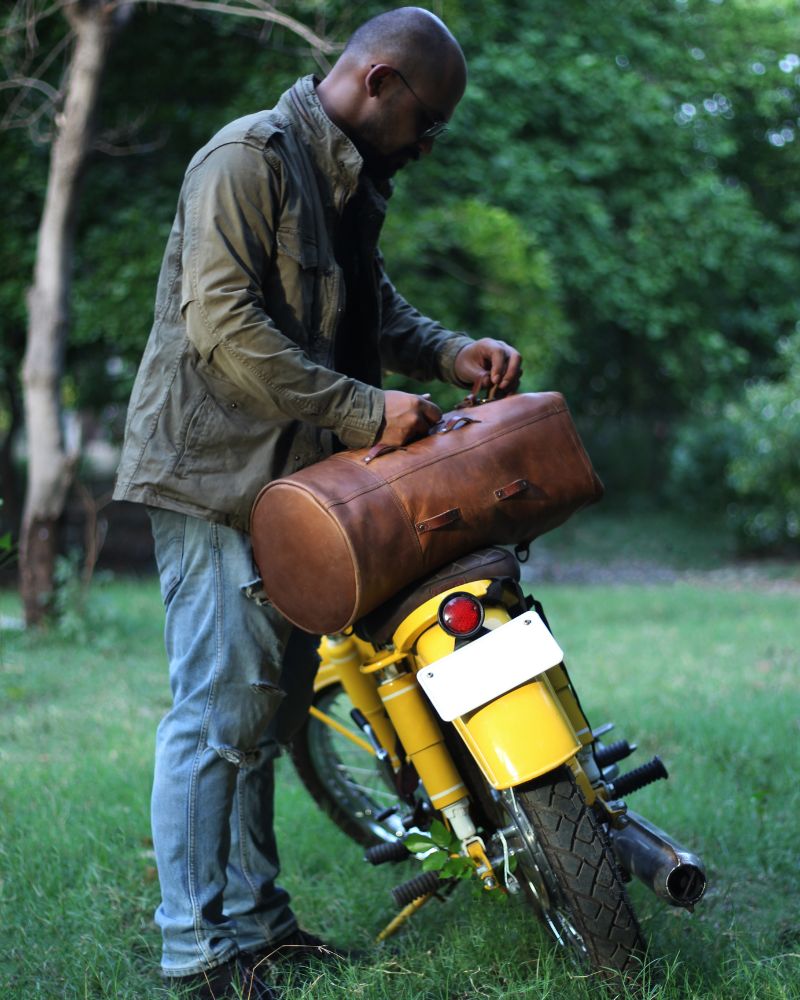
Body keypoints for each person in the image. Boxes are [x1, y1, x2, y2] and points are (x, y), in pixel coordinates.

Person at [113, 6, 522, 998]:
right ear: (378, 82)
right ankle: (196, 954)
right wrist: (360, 408)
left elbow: (367, 303)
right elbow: (224, 328)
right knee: (218, 714)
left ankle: (257, 926)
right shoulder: (244, 159)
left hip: (300, 492)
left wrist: (440, 351)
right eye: (426, 119)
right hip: (216, 478)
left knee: (271, 710)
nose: (426, 143)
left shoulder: (347, 179)